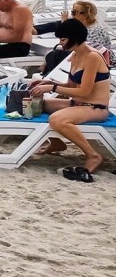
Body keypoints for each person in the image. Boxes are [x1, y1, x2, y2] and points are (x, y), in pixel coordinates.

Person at [30, 18, 111, 181]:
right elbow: (71, 85)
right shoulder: (75, 55)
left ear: (74, 37)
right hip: (79, 103)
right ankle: (57, 143)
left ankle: (92, 155)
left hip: (95, 107)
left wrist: (51, 88)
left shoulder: (92, 57)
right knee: (36, 105)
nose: (60, 43)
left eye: (63, 39)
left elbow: (85, 92)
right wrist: (48, 82)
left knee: (57, 120)